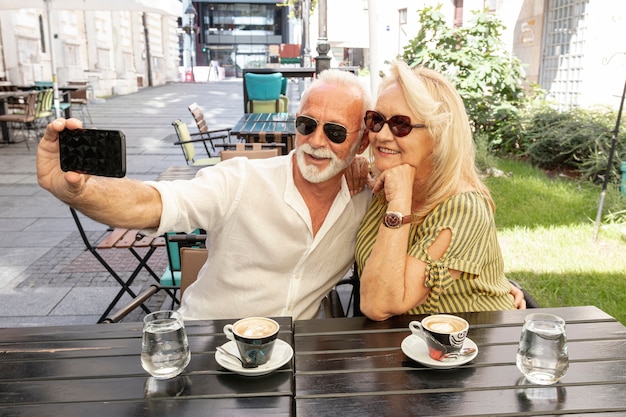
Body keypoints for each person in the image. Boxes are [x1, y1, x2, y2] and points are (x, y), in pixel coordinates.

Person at [37, 69, 372, 321]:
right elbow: (153, 204)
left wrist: (370, 167)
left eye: (335, 131)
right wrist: (77, 191)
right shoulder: (241, 179)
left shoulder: (367, 199)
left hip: (292, 355)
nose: (316, 140)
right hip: (206, 342)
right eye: (306, 125)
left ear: (363, 142)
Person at [355, 61, 521, 321]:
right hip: (407, 342)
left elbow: (379, 304)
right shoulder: (394, 177)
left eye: (401, 124)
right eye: (376, 120)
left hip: (468, 346)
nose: (381, 135)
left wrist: (399, 203)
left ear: (439, 135)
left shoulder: (463, 207)